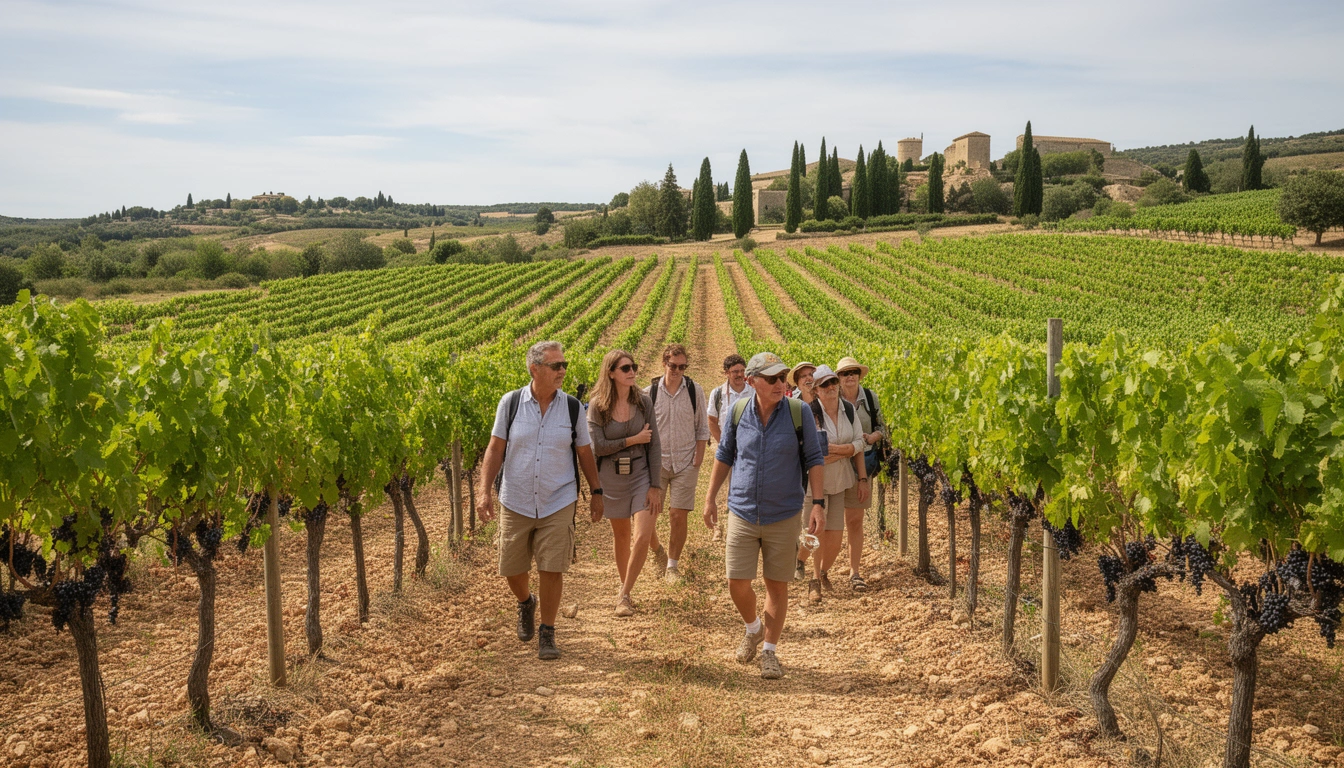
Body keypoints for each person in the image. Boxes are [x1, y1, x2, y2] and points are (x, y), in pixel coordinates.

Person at [477, 340, 603, 661]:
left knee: (551, 567)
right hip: (515, 498)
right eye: (556, 366)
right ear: (535, 369)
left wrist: (596, 491)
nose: (562, 371)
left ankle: (548, 632)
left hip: (557, 499)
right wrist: (483, 491)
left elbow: (584, 452)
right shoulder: (511, 403)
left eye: (564, 365)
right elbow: (495, 448)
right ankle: (525, 602)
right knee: (511, 568)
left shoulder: (572, 407)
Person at [704, 352, 826, 680]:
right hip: (742, 510)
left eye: (782, 378)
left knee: (777, 587)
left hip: (783, 514)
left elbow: (815, 459)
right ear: (752, 381)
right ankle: (753, 627)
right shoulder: (736, 412)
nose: (780, 384)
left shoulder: (798, 413)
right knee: (736, 583)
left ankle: (770, 652)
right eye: (772, 378)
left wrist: (817, 504)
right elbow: (725, 454)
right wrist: (711, 497)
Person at [587, 349, 664, 617]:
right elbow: (598, 446)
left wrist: (656, 485)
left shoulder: (643, 402)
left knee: (641, 535)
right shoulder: (598, 405)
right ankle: (626, 589)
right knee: (621, 536)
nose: (632, 372)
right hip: (611, 479)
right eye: (625, 368)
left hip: (641, 474)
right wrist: (632, 440)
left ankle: (624, 594)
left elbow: (654, 445)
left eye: (634, 367)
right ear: (611, 373)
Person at [798, 365, 868, 602]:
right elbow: (814, 452)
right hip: (814, 484)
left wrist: (841, 451)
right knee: (815, 534)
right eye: (825, 385)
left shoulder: (848, 410)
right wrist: (846, 450)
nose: (830, 388)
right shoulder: (809, 413)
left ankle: (818, 569)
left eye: (832, 383)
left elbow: (859, 442)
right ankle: (814, 580)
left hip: (840, 482)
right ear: (816, 390)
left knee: (835, 540)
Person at [645, 344, 709, 584]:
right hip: (656, 464)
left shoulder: (695, 391)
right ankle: (656, 551)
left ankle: (672, 566)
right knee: (648, 515)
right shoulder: (648, 393)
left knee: (677, 515)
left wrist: (699, 457)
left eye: (682, 367)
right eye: (673, 366)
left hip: (685, 462)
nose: (677, 371)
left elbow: (702, 427)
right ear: (664, 363)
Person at [835, 356, 887, 592]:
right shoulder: (830, 398)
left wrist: (872, 437)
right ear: (838, 378)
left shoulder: (870, 398)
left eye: (853, 372)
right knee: (830, 522)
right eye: (845, 373)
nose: (850, 376)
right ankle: (820, 569)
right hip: (834, 466)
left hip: (861, 466)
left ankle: (855, 572)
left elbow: (882, 428)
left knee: (854, 521)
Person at [707, 354, 749, 542]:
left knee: (740, 488)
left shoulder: (754, 391)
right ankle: (718, 528)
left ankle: (737, 527)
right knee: (721, 489)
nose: (740, 375)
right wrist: (725, 445)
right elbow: (712, 421)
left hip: (749, 449)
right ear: (726, 373)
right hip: (728, 449)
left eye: (742, 370)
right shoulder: (717, 394)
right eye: (735, 372)